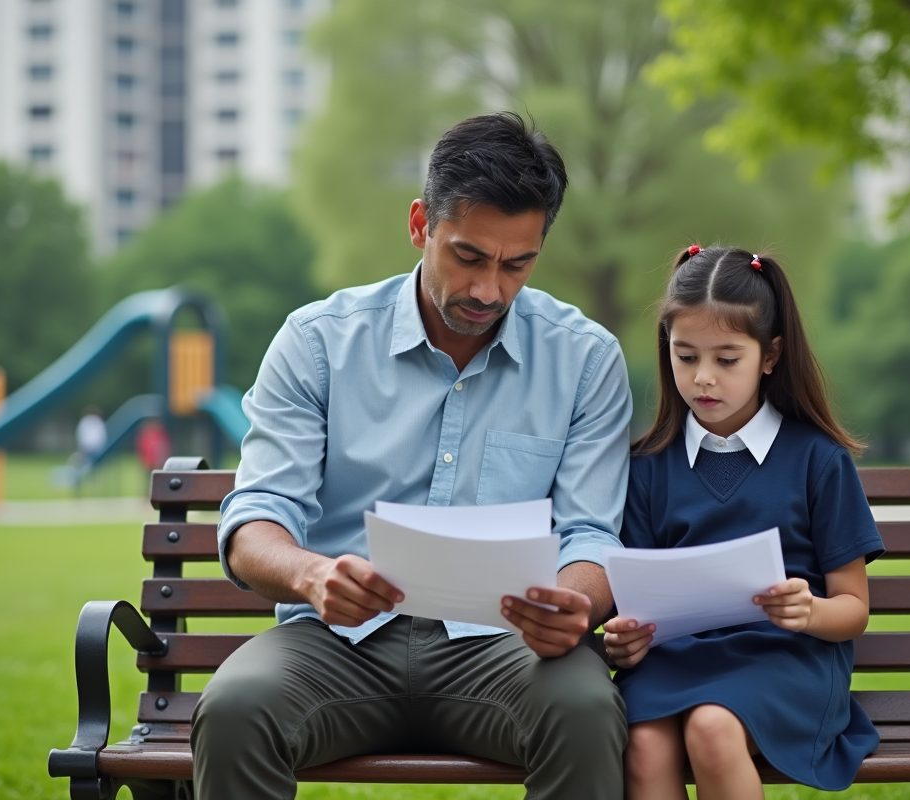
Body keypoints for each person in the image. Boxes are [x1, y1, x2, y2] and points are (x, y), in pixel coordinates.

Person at [193, 113, 633, 799]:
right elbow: (256, 520)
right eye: (468, 256)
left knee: (584, 708)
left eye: (517, 264)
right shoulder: (317, 343)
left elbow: (590, 533)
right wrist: (313, 576)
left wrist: (576, 602)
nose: (490, 290)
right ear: (420, 225)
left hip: (506, 647)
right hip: (334, 644)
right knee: (235, 709)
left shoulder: (585, 359)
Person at [602, 246, 885, 799]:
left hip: (785, 658)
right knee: (644, 745)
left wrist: (808, 611)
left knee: (712, 726)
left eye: (726, 359)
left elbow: (853, 610)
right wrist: (624, 643)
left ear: (770, 355)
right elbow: (631, 605)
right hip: (674, 660)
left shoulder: (817, 460)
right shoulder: (647, 466)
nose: (703, 378)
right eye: (686, 357)